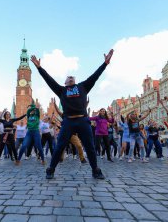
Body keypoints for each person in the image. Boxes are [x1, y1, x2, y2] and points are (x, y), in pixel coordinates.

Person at [31, 49, 114, 179]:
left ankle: (95, 170)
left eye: (72, 77)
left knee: (90, 147)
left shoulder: (83, 86)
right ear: (65, 83)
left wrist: (105, 64)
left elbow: (95, 76)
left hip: (82, 121)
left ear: (75, 80)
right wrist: (39, 68)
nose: (70, 77)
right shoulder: (61, 90)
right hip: (68, 122)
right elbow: (49, 80)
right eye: (68, 77)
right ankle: (51, 169)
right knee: (59, 147)